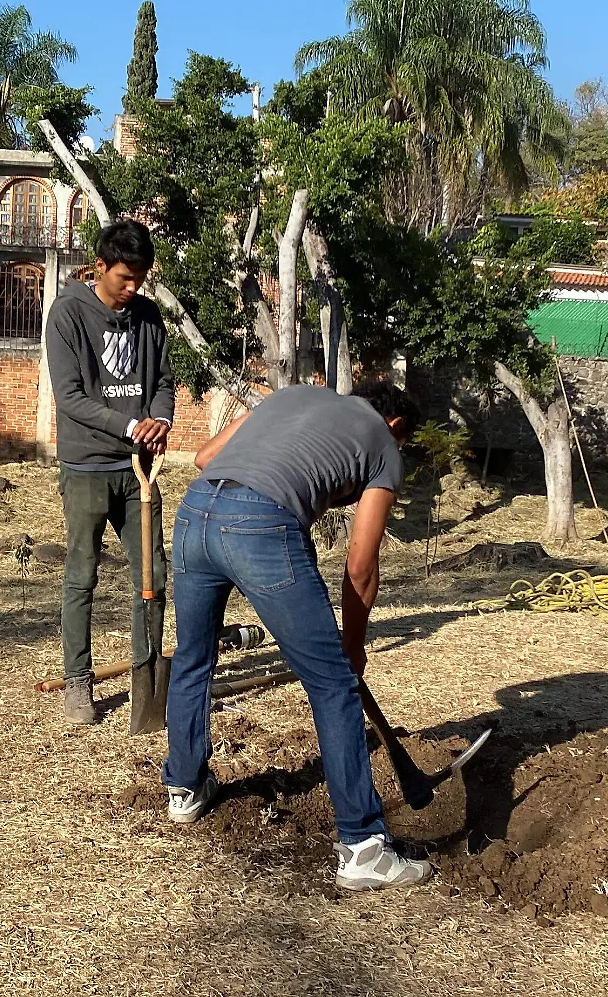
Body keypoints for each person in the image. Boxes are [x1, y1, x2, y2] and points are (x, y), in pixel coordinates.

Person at [161, 382, 434, 892]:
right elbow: (360, 565)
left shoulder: (294, 395)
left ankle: (185, 789)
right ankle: (364, 848)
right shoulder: (382, 441)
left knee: (194, 659)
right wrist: (353, 647)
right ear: (396, 425)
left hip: (195, 514)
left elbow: (204, 456)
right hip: (260, 526)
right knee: (333, 686)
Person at [44, 219, 175, 732]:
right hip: (86, 469)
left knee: (154, 578)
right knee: (82, 576)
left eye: (140, 277)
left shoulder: (148, 317)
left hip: (138, 471)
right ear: (100, 267)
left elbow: (163, 381)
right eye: (125, 276)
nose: (133, 286)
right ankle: (79, 680)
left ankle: (148, 673)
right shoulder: (67, 314)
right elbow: (70, 397)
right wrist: (129, 424)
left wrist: (161, 420)